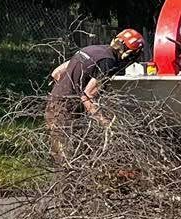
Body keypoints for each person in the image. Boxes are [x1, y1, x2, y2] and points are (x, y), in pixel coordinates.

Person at [46, 29, 146, 160]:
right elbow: (87, 96)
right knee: (71, 158)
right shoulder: (108, 62)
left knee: (60, 154)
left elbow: (56, 73)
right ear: (129, 54)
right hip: (68, 110)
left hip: (54, 103)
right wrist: (106, 123)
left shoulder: (93, 49)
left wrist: (67, 90)